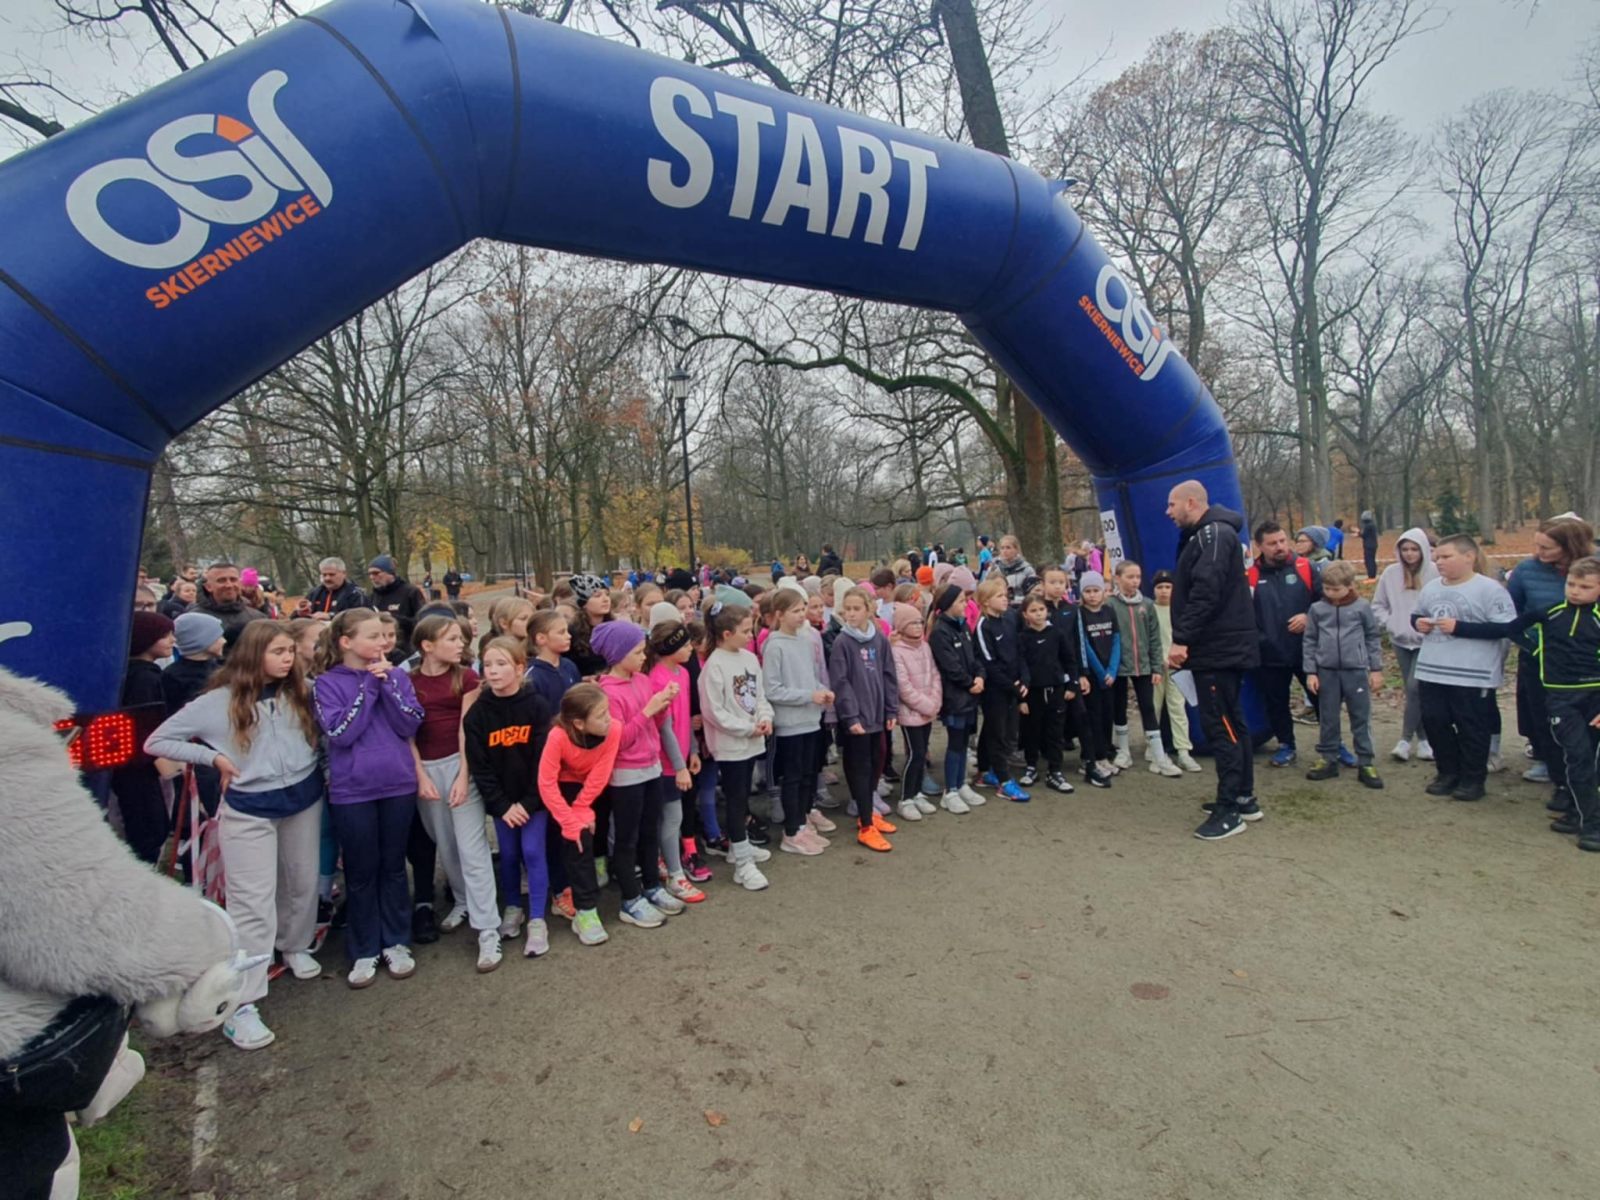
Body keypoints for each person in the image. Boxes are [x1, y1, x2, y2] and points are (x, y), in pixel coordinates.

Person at [144, 620, 324, 1050]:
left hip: (303, 798)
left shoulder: (303, 690)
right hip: (249, 808)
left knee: (301, 880)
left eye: (290, 651)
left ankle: (294, 945)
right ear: (253, 654)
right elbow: (158, 741)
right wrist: (212, 758)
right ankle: (242, 1001)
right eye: (278, 651)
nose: (288, 659)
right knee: (252, 902)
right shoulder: (216, 702)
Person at [1436, 555, 1600, 852]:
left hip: (1595, 697)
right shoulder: (1550, 613)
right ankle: (1588, 821)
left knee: (1591, 759)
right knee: (1576, 755)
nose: (1576, 591)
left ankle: (1584, 816)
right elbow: (1511, 628)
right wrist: (1537, 651)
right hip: (1560, 697)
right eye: (1571, 584)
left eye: (1585, 586)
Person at [311, 608, 425, 988]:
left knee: (393, 866)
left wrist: (389, 685)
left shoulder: (397, 676)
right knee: (361, 871)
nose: (383, 643)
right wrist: (368, 688)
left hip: (398, 784)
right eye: (373, 636)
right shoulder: (327, 684)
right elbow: (341, 733)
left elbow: (410, 722)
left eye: (385, 636)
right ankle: (364, 948)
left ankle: (396, 941)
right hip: (352, 790)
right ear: (346, 642)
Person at [1165, 480, 1261, 840]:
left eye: (1172, 504)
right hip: (1219, 649)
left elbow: (1206, 591)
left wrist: (1182, 639)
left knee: (1223, 728)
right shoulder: (1206, 536)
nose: (1168, 512)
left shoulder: (1214, 535)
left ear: (1191, 502)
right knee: (1233, 722)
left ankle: (1229, 809)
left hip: (1218, 652)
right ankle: (1243, 797)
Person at [409, 616, 503, 972]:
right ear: (427, 645)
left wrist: (464, 776)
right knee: (445, 844)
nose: (460, 644)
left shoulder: (466, 678)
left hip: (461, 765)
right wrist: (420, 775)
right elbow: (407, 733)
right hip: (426, 769)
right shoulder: (409, 681)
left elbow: (467, 728)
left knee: (472, 848)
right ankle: (462, 900)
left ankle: (488, 928)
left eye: (460, 638)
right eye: (451, 639)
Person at [465, 635, 558, 955]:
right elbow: (480, 767)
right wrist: (503, 806)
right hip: (503, 805)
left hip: (533, 800)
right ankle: (513, 907)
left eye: (501, 664)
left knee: (532, 851)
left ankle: (537, 919)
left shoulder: (537, 706)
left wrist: (528, 803)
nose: (492, 671)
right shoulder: (478, 714)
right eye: (487, 664)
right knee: (508, 855)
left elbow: (543, 760)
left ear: (519, 668)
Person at [592, 620, 688, 927]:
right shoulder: (607, 693)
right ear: (617, 655)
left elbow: (655, 725)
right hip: (626, 774)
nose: (643, 656)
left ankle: (652, 886)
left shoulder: (642, 681)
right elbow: (619, 740)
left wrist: (663, 705)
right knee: (627, 837)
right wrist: (649, 709)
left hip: (651, 766)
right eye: (636, 652)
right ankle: (630, 899)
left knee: (650, 832)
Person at [1410, 535, 1516, 803]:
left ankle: (1473, 779)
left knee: (1472, 727)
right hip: (1433, 669)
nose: (1439, 562)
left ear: (1469, 557)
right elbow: (1417, 614)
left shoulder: (1489, 589)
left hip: (1472, 673)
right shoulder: (1431, 587)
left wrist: (1460, 627)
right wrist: (1418, 623)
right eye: (1437, 557)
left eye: (1446, 557)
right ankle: (1447, 772)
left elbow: (1506, 627)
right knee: (1435, 722)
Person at [1506, 519, 1595, 790]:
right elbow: (1511, 614)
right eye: (1537, 545)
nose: (1538, 552)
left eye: (1546, 547)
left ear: (1569, 546)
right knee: (1543, 716)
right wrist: (1532, 647)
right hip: (1540, 659)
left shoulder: (1594, 567)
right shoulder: (1526, 571)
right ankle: (1556, 774)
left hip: (1589, 664)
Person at [699, 603, 777, 887]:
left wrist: (765, 717)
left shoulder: (749, 658)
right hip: (731, 745)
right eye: (745, 631)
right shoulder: (714, 666)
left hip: (752, 740)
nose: (751, 635)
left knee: (743, 798)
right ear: (727, 634)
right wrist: (747, 728)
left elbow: (759, 696)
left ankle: (738, 846)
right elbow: (714, 712)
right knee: (735, 800)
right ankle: (742, 864)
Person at [539, 684, 622, 944]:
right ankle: (585, 911)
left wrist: (582, 807)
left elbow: (601, 772)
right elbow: (546, 782)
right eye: (601, 715)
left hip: (592, 788)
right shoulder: (557, 736)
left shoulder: (614, 729)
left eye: (607, 710)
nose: (609, 718)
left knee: (592, 830)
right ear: (579, 723)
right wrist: (569, 821)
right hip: (562, 786)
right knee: (577, 839)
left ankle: (595, 876)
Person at [1249, 521, 1331, 769]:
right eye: (1272, 543)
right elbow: (1244, 614)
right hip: (1270, 654)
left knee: (1322, 699)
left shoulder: (1306, 567)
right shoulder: (1250, 576)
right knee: (1276, 702)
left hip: (1307, 651)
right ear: (1259, 546)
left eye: (1283, 541)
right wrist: (1260, 640)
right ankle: (1286, 745)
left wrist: (1308, 617)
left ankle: (1333, 745)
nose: (1280, 547)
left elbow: (1327, 602)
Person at [829, 586, 902, 847]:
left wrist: (891, 709)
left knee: (876, 763)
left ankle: (869, 813)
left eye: (856, 608)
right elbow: (840, 682)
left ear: (869, 609)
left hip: (878, 715)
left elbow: (889, 675)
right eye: (847, 609)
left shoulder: (879, 639)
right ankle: (866, 825)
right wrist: (851, 716)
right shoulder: (842, 642)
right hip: (857, 719)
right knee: (859, 768)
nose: (851, 614)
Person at [1300, 561, 1385, 788]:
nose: (1331, 593)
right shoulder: (1317, 609)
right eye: (1327, 588)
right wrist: (1311, 672)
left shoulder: (1362, 607)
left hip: (1355, 670)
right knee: (1328, 717)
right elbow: (1310, 640)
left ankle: (1365, 761)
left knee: (1360, 717)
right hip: (1326, 671)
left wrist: (1376, 669)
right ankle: (1328, 758)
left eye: (1336, 589)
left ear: (1349, 586)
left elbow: (1372, 637)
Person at [763, 590, 834, 851]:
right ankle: (791, 831)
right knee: (792, 778)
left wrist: (822, 691)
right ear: (779, 615)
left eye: (802, 609)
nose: (801, 615)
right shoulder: (774, 645)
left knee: (807, 775)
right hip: (790, 724)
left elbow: (811, 677)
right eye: (795, 611)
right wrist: (808, 696)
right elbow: (772, 689)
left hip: (811, 719)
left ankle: (802, 824)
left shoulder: (805, 641)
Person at [645, 619, 711, 897]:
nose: (690, 648)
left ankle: (667, 864)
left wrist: (692, 750)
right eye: (684, 645)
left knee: (672, 817)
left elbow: (686, 719)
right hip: (665, 763)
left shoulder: (682, 673)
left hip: (680, 758)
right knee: (672, 818)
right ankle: (675, 875)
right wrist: (679, 765)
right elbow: (665, 728)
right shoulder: (658, 679)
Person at [113, 612, 176, 863]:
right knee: (149, 825)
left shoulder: (135, 673)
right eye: (164, 636)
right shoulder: (144, 679)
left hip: (134, 761)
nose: (172, 641)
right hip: (140, 762)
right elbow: (147, 724)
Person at [1371, 527, 1438, 762]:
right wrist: (1391, 622)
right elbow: (1378, 605)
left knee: (1415, 687)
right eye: (1405, 549)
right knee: (1413, 692)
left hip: (1427, 641)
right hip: (1400, 640)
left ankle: (1405, 740)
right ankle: (1424, 740)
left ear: (1423, 550)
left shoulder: (1434, 573)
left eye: (1414, 549)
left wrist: (1432, 624)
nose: (1409, 554)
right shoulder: (1390, 574)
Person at [1108, 560, 1181, 776]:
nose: (1135, 581)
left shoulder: (1147, 605)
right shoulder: (1110, 605)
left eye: (1138, 577)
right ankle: (1123, 751)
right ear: (1118, 578)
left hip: (1144, 666)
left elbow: (1154, 638)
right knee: (1119, 708)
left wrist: (1156, 667)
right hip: (1118, 666)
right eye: (1130, 577)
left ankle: (1159, 756)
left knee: (1148, 707)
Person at [928, 584, 988, 813]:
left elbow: (974, 657)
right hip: (955, 696)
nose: (966, 605)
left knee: (964, 741)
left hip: (970, 695)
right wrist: (969, 683)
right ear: (948, 604)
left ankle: (961, 784)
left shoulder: (963, 627)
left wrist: (980, 676)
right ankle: (950, 790)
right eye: (961, 601)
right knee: (955, 742)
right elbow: (950, 667)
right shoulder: (940, 632)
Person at [973, 577, 1030, 801]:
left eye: (1006, 595)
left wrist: (1024, 679)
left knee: (996, 729)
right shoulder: (983, 626)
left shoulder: (1010, 619)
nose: (1005, 599)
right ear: (986, 601)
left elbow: (1019, 651)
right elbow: (989, 663)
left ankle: (984, 770)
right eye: (999, 596)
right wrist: (1011, 685)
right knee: (998, 733)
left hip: (1013, 686)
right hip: (995, 690)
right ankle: (1004, 781)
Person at [1015, 591, 1077, 794]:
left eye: (1041, 609)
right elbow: (1020, 667)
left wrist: (1072, 685)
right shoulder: (1022, 638)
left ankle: (1055, 770)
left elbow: (1069, 660)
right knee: (1032, 731)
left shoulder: (1057, 634)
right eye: (1033, 610)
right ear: (1025, 614)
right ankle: (1031, 766)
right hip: (1032, 693)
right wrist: (1021, 698)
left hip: (1055, 690)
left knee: (1055, 732)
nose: (1039, 614)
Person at [888, 602, 942, 820]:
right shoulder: (897, 652)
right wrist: (926, 705)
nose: (919, 626)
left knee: (923, 753)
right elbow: (904, 688)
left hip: (928, 710)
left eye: (920, 622)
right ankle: (906, 798)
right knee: (915, 754)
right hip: (911, 713)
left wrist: (934, 701)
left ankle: (917, 792)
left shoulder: (925, 647)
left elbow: (935, 674)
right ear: (902, 626)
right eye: (913, 623)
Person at [1149, 570, 1200, 772]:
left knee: (1178, 708)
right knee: (1153, 707)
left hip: (1178, 667)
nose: (1164, 591)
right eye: (1160, 587)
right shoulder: (1150, 610)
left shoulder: (1181, 611)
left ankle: (1183, 751)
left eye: (1168, 587)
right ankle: (1153, 748)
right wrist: (1158, 661)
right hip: (1155, 668)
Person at [1073, 572, 1119, 785]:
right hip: (1093, 676)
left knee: (1108, 716)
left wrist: (1112, 670)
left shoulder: (1109, 611)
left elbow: (1117, 640)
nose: (1092, 595)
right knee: (1094, 717)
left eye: (1096, 590)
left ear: (1103, 592)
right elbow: (1085, 646)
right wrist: (1101, 673)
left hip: (1110, 675)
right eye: (1088, 591)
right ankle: (1092, 758)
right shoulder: (1080, 614)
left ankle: (1104, 755)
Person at [186, 561, 267, 650]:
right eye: (221, 580)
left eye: (233, 580)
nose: (229, 585)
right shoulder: (194, 619)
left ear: (240, 583)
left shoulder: (257, 618)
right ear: (208, 587)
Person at [365, 555, 427, 663]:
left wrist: (394, 618)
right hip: (379, 654)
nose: (372, 577)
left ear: (390, 573)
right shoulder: (373, 596)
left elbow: (423, 623)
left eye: (376, 573)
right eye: (369, 574)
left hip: (407, 652)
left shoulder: (410, 592)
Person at [566, 573, 613, 676]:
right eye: (597, 596)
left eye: (607, 594)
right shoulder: (572, 632)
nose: (605, 599)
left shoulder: (615, 628)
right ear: (584, 603)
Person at [987, 535, 1035, 603]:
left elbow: (1033, 592)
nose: (1005, 551)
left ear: (1016, 550)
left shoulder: (1026, 569)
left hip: (1021, 604)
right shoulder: (994, 568)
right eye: (1002, 548)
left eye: (1008, 548)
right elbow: (987, 590)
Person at [1360, 511, 1380, 579]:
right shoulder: (1372, 525)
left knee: (1369, 561)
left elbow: (1364, 535)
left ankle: (1371, 575)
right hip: (1373, 545)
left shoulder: (1368, 526)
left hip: (1368, 545)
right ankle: (1373, 575)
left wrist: (1358, 534)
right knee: (1372, 560)